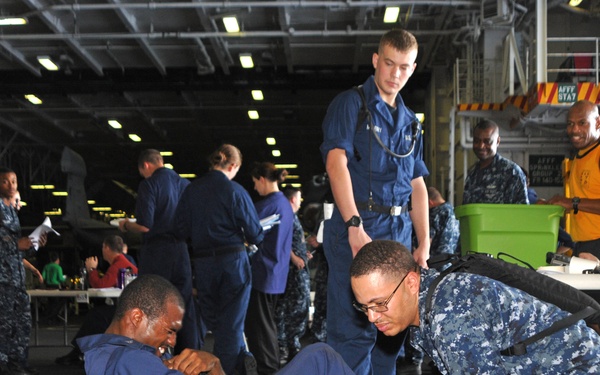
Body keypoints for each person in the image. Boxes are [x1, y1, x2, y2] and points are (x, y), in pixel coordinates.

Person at [320, 28, 430, 374]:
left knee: (391, 335)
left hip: (397, 234)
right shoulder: (350, 104)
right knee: (353, 333)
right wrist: (353, 225)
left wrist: (423, 242)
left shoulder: (412, 123)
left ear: (412, 69)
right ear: (375, 61)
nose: (395, 74)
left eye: (404, 67)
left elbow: (418, 186)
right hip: (359, 229)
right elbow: (336, 163)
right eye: (388, 64)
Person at [350, 239, 600, 374]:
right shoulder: (430, 302)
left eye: (380, 303)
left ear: (412, 283)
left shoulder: (449, 319)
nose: (372, 317)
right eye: (364, 307)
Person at [78, 274, 354, 375]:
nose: (173, 340)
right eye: (170, 330)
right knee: (321, 357)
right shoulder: (131, 360)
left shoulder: (104, 353)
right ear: (137, 318)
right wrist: (214, 366)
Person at [173, 144, 264, 375]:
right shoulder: (235, 191)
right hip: (233, 262)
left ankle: (222, 366)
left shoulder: (192, 190)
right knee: (231, 328)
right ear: (232, 165)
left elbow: (179, 230)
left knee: (216, 324)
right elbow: (255, 233)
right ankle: (227, 371)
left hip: (204, 265)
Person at [119, 149, 199, 353]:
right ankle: (189, 354)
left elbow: (145, 225)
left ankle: (156, 356)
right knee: (184, 305)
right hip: (181, 252)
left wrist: (126, 225)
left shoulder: (149, 184)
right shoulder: (184, 184)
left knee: (153, 304)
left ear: (146, 166)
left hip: (157, 252)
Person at [55, 235, 138, 366]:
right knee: (98, 315)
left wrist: (92, 270)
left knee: (96, 315)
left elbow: (100, 284)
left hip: (126, 310)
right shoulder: (123, 263)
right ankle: (83, 351)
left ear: (106, 247)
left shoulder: (118, 264)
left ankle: (79, 351)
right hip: (129, 307)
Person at [245, 162, 294, 374]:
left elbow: (250, 232)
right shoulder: (283, 203)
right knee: (267, 327)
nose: (255, 188)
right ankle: (270, 367)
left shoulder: (269, 205)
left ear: (263, 180)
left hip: (264, 274)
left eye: (256, 183)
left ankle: (268, 369)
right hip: (276, 274)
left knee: (260, 329)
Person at [0, 167, 46, 375]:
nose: (11, 186)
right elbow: (9, 244)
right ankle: (5, 364)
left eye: (14, 181)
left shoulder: (11, 210)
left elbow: (16, 245)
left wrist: (34, 242)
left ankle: (18, 362)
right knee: (4, 324)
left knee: (23, 322)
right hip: (3, 279)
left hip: (16, 277)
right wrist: (18, 244)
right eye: (5, 182)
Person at [547, 100, 600, 259]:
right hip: (583, 243)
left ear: (597, 122)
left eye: (582, 123)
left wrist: (572, 202)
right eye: (570, 124)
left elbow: (577, 203)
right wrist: (551, 205)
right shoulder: (580, 156)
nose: (575, 129)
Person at [276, 187, 312, 363]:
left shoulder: (291, 216)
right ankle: (288, 346)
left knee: (292, 308)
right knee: (296, 307)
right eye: (299, 197)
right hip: (293, 270)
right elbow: (283, 240)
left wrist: (303, 253)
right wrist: (295, 257)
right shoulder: (288, 215)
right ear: (292, 199)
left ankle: (289, 346)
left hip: (296, 266)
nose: (301, 201)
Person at [463, 119, 529, 204]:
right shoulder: (472, 174)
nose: (481, 146)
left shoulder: (511, 172)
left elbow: (522, 212)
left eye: (487, 141)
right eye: (476, 141)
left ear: (497, 141)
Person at [426, 187, 460, 262]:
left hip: (437, 261)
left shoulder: (435, 213)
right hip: (453, 260)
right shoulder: (454, 210)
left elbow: (427, 239)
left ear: (429, 202)